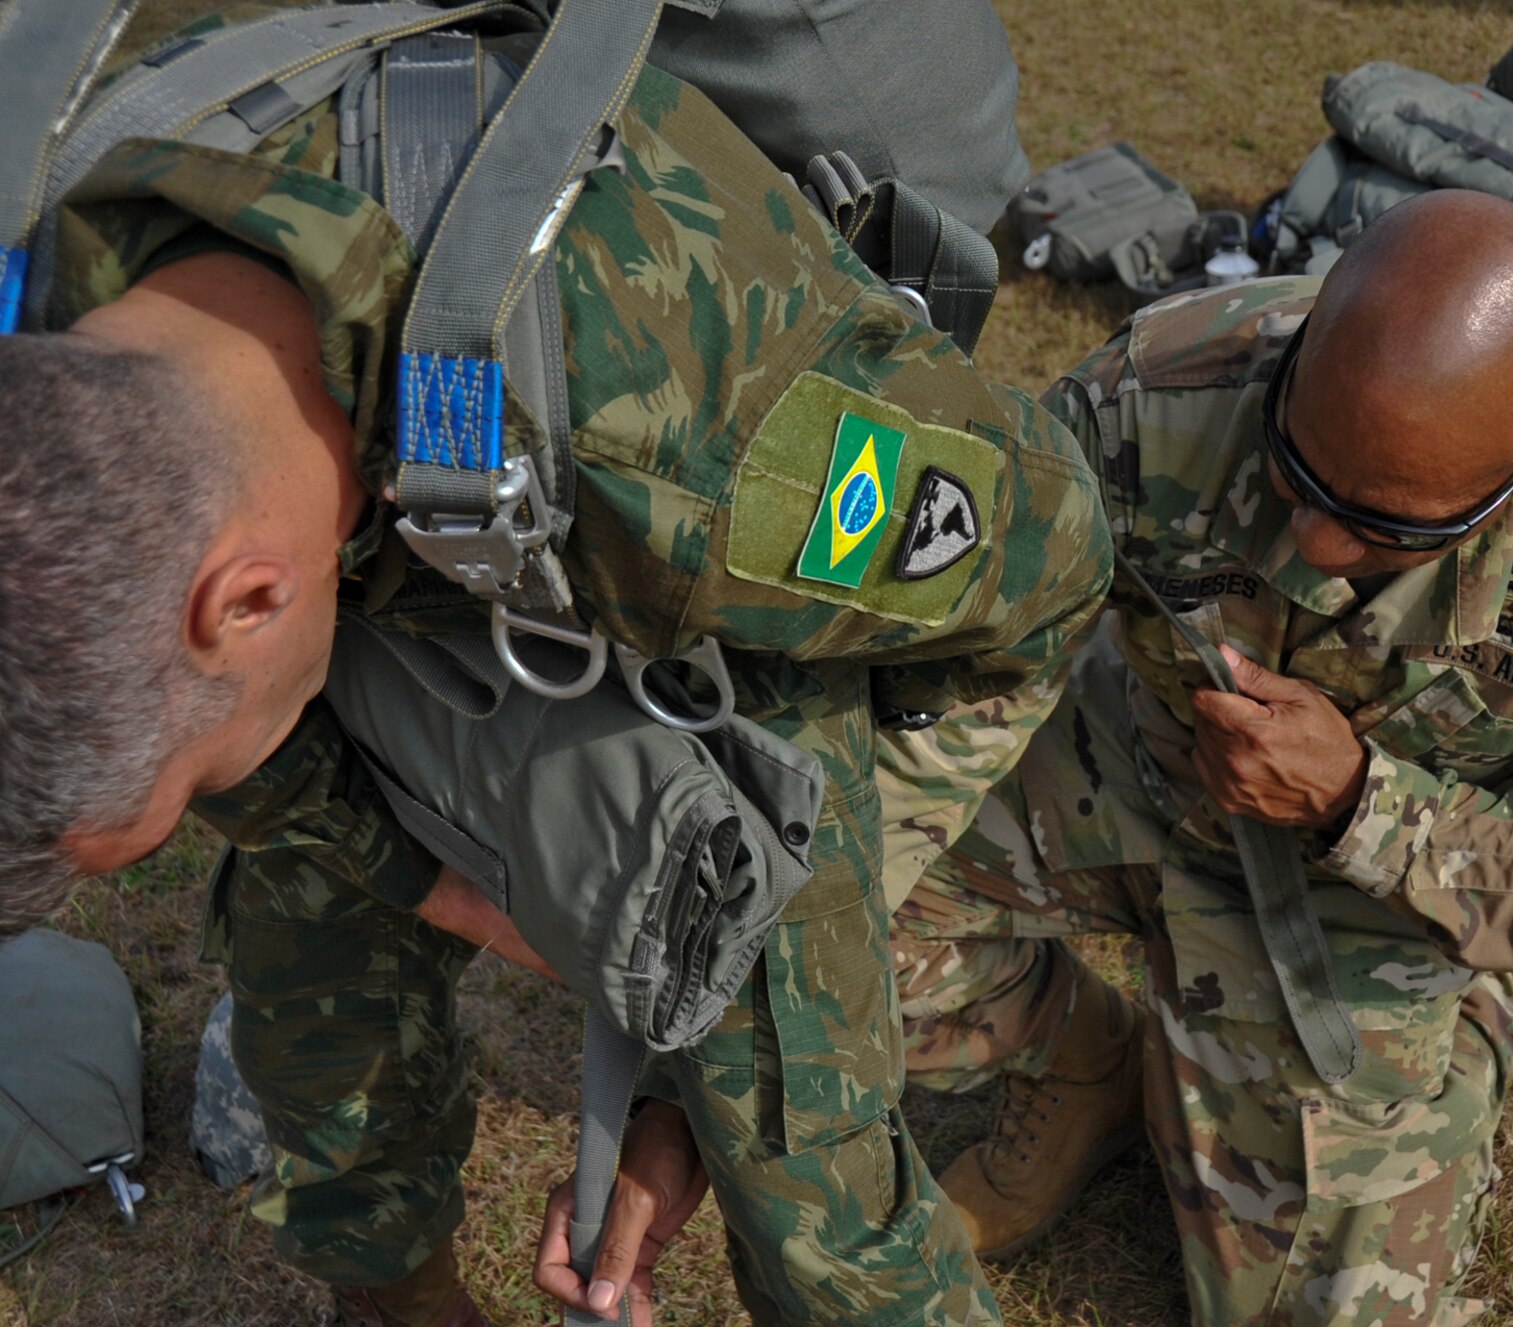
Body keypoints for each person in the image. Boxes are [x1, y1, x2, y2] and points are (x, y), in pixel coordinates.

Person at [0, 18, 1109, 1327]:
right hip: (375, 516)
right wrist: (426, 876)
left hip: (701, 570)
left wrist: (769, 940)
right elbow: (194, 703)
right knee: (312, 990)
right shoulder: (69, 332)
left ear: (246, 597)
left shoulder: (707, 465)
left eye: (189, 785)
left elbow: (1057, 559)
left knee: (796, 1152)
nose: (205, 802)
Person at [892, 190, 1513, 1325]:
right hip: (1137, 764)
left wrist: (1363, 806)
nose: (1312, 541)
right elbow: (969, 658)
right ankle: (1083, 1069)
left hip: (1379, 883)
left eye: (1390, 527)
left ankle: (1498, 997)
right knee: (822, 923)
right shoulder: (1157, 390)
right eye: (1293, 470)